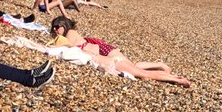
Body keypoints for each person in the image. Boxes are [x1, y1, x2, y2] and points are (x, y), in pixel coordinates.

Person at [49, 16, 191, 87]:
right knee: (134, 68)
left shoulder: (69, 34)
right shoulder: (69, 35)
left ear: (64, 25)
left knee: (142, 74)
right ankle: (165, 70)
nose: (55, 30)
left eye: (57, 26)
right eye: (53, 27)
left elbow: (66, 48)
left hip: (106, 54)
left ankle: (174, 78)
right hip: (105, 53)